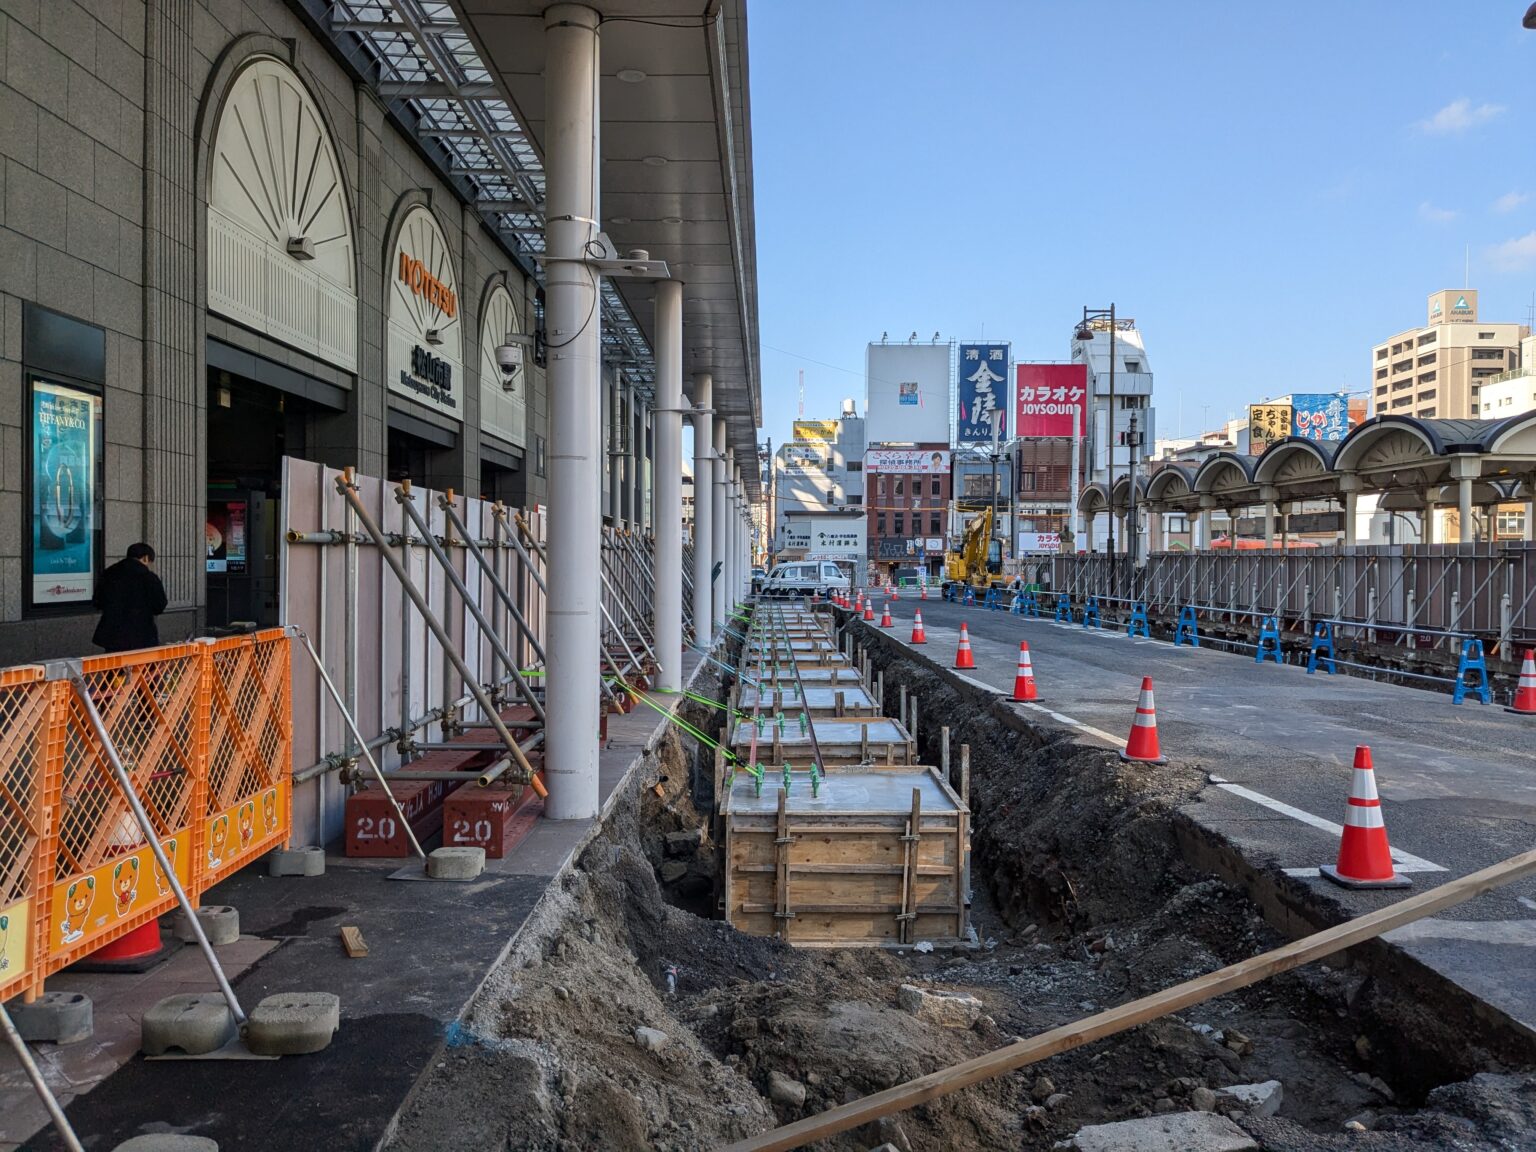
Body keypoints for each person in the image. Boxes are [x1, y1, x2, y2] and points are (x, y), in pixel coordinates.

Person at [92, 543, 168, 652]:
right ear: (145, 558)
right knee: (141, 667)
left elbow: (97, 601)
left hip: (112, 634)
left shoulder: (108, 573)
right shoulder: (148, 577)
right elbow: (159, 605)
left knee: (114, 667)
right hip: (141, 634)